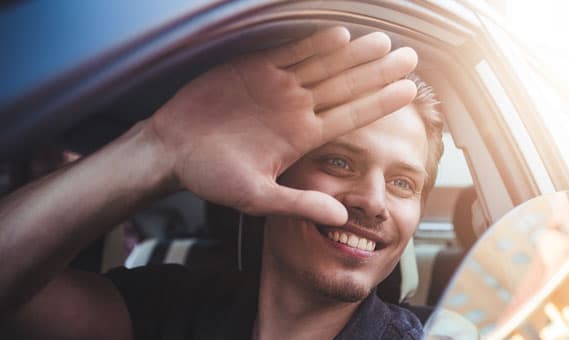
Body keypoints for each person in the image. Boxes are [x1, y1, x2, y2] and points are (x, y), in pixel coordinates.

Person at [0, 26, 444, 339]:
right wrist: (158, 149)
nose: (372, 201)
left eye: (403, 183)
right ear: (275, 174)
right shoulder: (170, 310)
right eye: (338, 162)